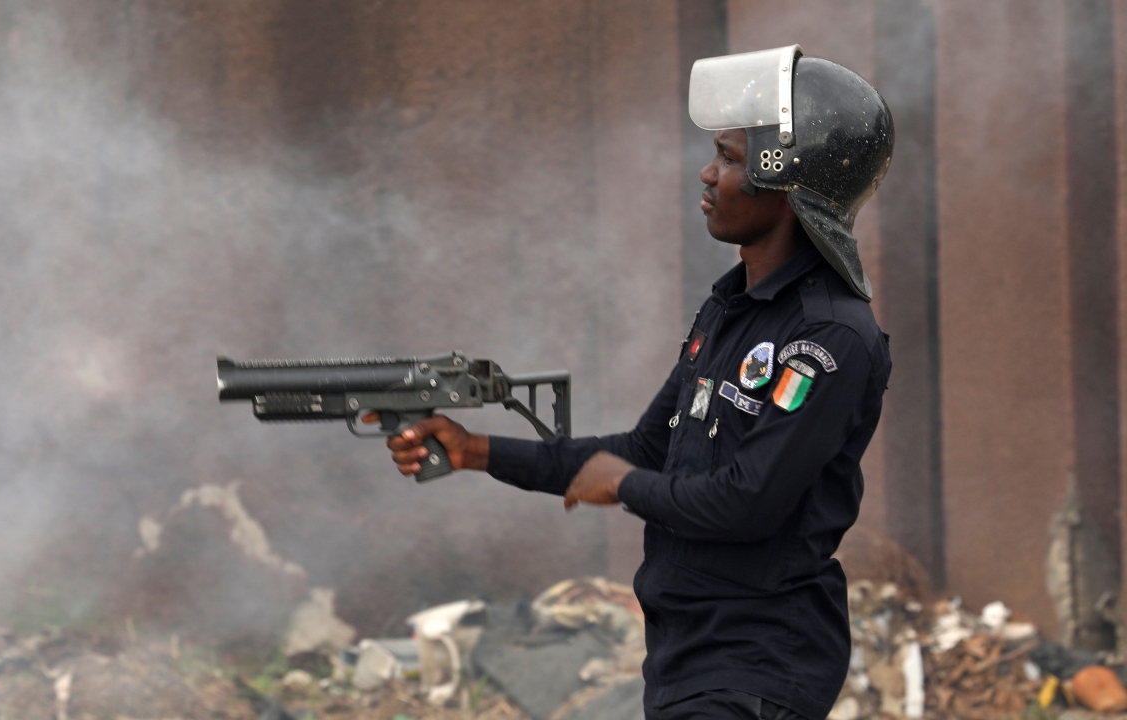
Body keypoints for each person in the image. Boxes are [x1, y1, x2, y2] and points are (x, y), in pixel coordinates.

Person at [382, 46, 894, 720]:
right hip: (687, 657)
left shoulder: (830, 339)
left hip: (758, 666)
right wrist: (473, 450)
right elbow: (644, 449)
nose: (708, 174)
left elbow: (748, 503)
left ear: (786, 180)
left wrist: (619, 486)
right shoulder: (727, 311)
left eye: (733, 159)